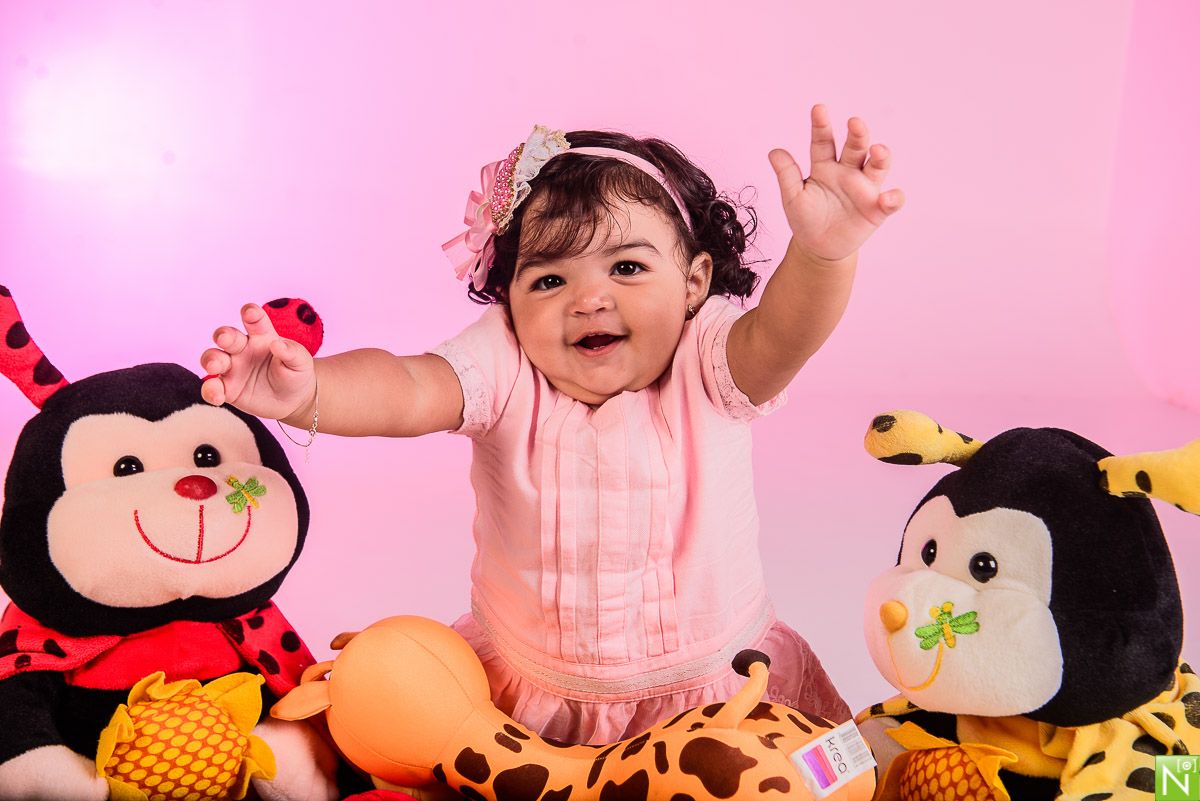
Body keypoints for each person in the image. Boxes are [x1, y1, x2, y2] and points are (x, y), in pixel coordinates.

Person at [200, 105, 903, 745]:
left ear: (693, 283)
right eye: (548, 280)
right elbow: (409, 387)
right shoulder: (506, 361)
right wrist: (308, 389)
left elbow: (782, 336)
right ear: (508, 298)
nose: (589, 298)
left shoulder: (710, 355)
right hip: (531, 696)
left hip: (717, 691)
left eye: (627, 266)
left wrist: (822, 255)